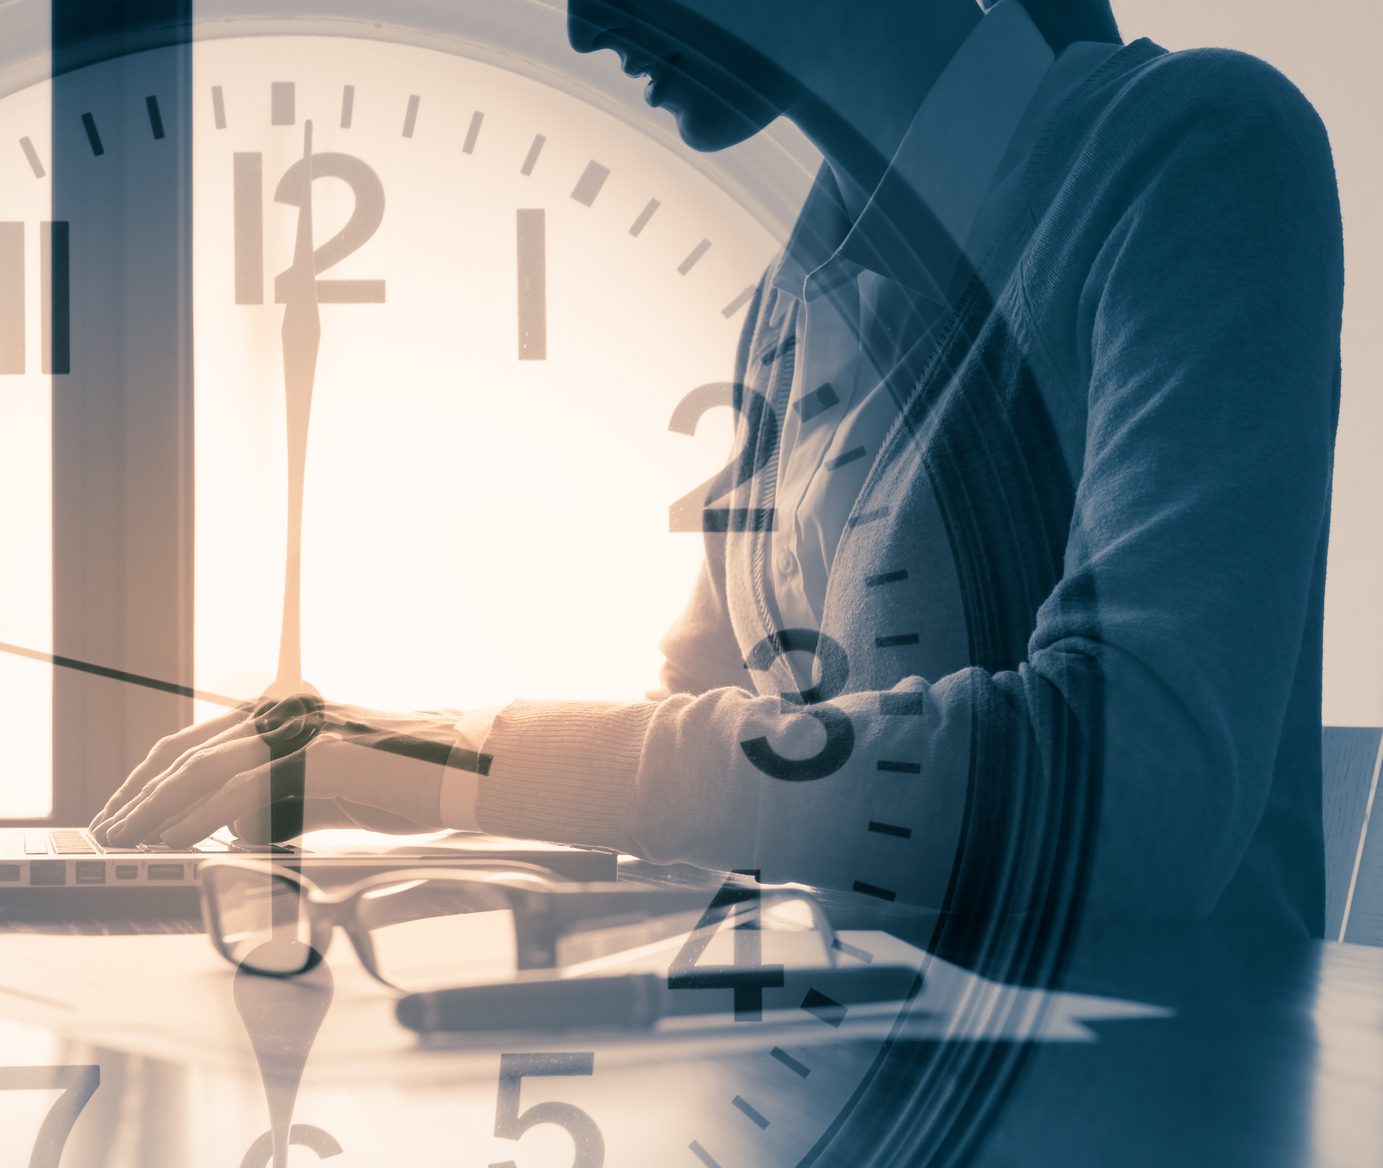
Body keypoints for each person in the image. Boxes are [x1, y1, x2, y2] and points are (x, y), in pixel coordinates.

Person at [95, 0, 1343, 936]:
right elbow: (704, 742)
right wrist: (442, 854)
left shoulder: (1193, 154)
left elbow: (1131, 790)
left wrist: (456, 760)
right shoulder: (792, 301)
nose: (583, 20)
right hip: (849, 1129)